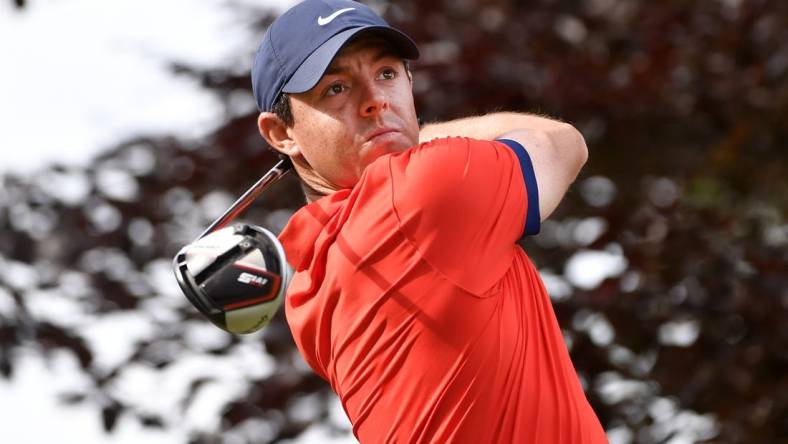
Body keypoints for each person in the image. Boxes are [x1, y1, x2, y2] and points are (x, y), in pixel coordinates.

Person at [252, 0, 608, 442]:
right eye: (336, 88)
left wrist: (387, 138)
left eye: (386, 74)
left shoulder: (307, 284)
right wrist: (406, 136)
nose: (375, 100)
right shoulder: (425, 190)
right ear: (281, 133)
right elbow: (562, 143)